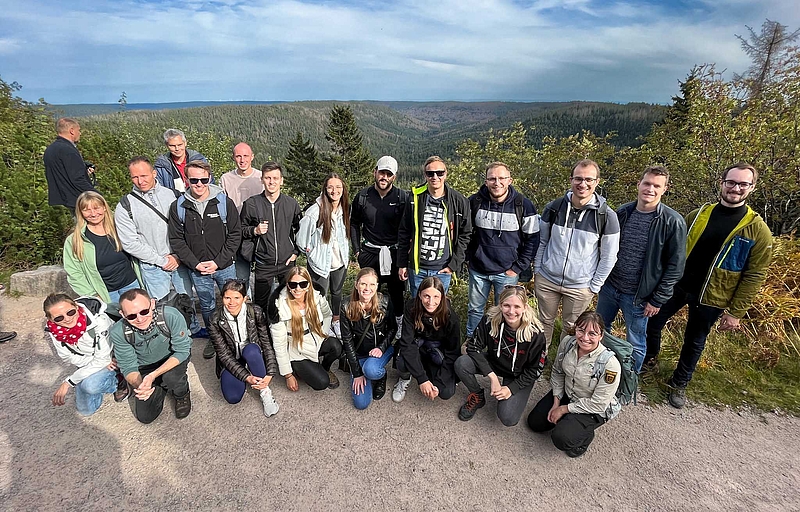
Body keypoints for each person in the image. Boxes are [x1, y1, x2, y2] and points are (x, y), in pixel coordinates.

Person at [644, 163, 773, 408]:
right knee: (653, 322)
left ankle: (679, 383)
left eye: (743, 184)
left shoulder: (757, 230)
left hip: (714, 294)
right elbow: (672, 249)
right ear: (722, 183)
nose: (736, 188)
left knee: (694, 339)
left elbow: (755, 275)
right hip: (678, 285)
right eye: (731, 182)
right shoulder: (699, 214)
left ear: (752, 188)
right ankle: (649, 360)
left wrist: (735, 312)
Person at [596, 165, 686, 372]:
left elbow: (676, 265)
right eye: (647, 183)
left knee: (635, 341)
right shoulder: (623, 213)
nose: (650, 189)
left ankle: (629, 379)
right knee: (601, 330)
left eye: (657, 185)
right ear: (639, 184)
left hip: (640, 295)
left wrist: (657, 299)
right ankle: (599, 372)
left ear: (665, 189)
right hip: (610, 287)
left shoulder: (672, 222)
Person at [534, 159, 620, 348]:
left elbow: (609, 256)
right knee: (543, 322)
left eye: (589, 179)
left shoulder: (606, 216)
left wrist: (594, 286)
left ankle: (563, 361)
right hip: (547, 278)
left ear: (597, 182)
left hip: (581, 286)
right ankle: (539, 360)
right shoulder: (554, 207)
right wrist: (538, 270)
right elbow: (542, 241)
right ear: (571, 180)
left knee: (572, 327)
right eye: (578, 179)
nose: (583, 184)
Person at [115, 156, 200, 335]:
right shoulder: (125, 206)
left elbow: (186, 227)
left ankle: (192, 329)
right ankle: (171, 337)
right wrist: (161, 260)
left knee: (186, 298)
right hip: (153, 266)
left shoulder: (172, 195)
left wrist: (177, 255)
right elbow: (130, 242)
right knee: (162, 305)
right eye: (135, 177)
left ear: (154, 173)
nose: (141, 181)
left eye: (145, 175)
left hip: (179, 260)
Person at [168, 161, 241, 359]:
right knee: (207, 305)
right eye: (194, 180)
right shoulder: (179, 207)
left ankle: (235, 335)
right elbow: (177, 240)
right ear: (186, 180)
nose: (199, 184)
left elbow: (235, 234)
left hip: (224, 265)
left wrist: (218, 262)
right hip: (198, 268)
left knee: (232, 301)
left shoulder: (224, 202)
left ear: (210, 178)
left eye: (203, 179)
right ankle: (214, 337)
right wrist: (195, 263)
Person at [527, 311, 621, 458]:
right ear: (575, 329)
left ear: (601, 335)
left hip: (592, 408)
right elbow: (558, 372)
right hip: (568, 394)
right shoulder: (568, 343)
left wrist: (564, 409)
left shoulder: (610, 365)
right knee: (534, 423)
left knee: (562, 438)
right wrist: (556, 401)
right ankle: (569, 422)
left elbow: (598, 404)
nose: (585, 338)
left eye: (592, 333)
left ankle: (585, 437)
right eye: (581, 330)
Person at [465, 161, 539, 343]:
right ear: (486, 181)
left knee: (507, 312)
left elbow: (533, 239)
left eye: (501, 178)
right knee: (475, 309)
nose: (496, 182)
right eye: (492, 178)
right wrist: (468, 259)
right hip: (478, 269)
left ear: (510, 180)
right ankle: (472, 342)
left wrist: (518, 267)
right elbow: (464, 233)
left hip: (507, 271)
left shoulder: (523, 205)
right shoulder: (475, 202)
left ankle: (500, 345)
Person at [455, 286, 547, 426]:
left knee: (508, 418)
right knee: (462, 364)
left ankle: (510, 391)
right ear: (500, 305)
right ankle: (477, 395)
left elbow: (535, 370)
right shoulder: (491, 319)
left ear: (525, 307)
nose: (511, 311)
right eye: (506, 305)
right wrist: (492, 376)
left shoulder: (536, 333)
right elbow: (473, 346)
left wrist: (511, 388)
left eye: (517, 306)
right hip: (495, 363)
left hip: (518, 373)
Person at [110, 288, 192, 423]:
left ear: (152, 304)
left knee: (171, 377)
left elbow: (182, 350)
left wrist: (153, 375)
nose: (140, 319)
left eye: (144, 311)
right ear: (122, 314)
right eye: (131, 316)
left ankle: (181, 393)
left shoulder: (170, 316)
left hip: (172, 357)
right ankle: (158, 386)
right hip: (145, 365)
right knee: (146, 416)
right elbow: (128, 366)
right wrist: (141, 385)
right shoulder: (118, 332)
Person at [350, 155, 408, 339]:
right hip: (369, 252)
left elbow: (407, 229)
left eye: (388, 174)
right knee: (368, 292)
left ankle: (397, 326)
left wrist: (403, 258)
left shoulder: (402, 197)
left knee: (396, 292)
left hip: (393, 253)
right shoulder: (363, 197)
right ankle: (366, 327)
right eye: (381, 172)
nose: (384, 177)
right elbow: (354, 224)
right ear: (375, 172)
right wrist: (357, 251)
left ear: (394, 177)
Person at [398, 156, 472, 299]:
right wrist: (402, 263)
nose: (435, 177)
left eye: (440, 173)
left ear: (446, 173)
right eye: (430, 173)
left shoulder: (459, 201)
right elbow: (404, 231)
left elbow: (465, 234)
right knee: (417, 307)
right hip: (417, 268)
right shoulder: (414, 198)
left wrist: (454, 264)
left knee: (438, 309)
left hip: (442, 268)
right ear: (425, 175)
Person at [44, 294, 128, 416]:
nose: (67, 319)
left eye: (70, 312)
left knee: (90, 385)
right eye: (58, 318)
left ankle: (119, 380)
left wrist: (69, 382)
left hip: (113, 358)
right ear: (51, 320)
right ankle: (98, 378)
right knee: (86, 411)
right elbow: (66, 356)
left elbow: (104, 358)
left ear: (76, 306)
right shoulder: (53, 330)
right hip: (93, 360)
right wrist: (93, 363)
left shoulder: (99, 320)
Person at [208, 280, 279, 417]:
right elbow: (223, 355)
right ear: (222, 298)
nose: (231, 302)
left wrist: (270, 372)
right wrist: (246, 377)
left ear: (245, 298)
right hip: (232, 358)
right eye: (227, 298)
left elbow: (266, 342)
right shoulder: (215, 319)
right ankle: (249, 375)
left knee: (251, 350)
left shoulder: (255, 311)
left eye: (237, 298)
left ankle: (265, 392)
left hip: (253, 354)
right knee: (233, 398)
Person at [268, 266, 343, 391]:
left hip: (315, 342)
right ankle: (298, 369)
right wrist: (288, 375)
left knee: (336, 346)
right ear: (287, 285)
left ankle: (324, 367)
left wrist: (322, 332)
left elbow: (327, 314)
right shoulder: (280, 306)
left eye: (302, 284)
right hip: (297, 352)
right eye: (293, 284)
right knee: (321, 383)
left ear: (308, 284)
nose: (298, 288)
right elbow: (279, 344)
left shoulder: (317, 296)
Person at [240, 162, 301, 313]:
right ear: (262, 179)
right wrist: (255, 230)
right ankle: (262, 334)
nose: (271, 182)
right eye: (268, 178)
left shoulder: (291, 203)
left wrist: (296, 252)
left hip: (287, 262)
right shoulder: (252, 204)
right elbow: (240, 229)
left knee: (290, 300)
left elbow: (301, 230)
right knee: (260, 304)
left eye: (275, 178)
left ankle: (288, 332)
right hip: (263, 262)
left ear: (281, 180)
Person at [297, 173, 350, 337]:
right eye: (331, 187)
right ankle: (321, 324)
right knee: (319, 296)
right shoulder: (315, 212)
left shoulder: (344, 209)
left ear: (343, 189)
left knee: (337, 292)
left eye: (338, 187)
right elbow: (301, 239)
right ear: (325, 189)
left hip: (339, 261)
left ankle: (335, 321)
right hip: (320, 264)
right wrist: (311, 254)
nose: (335, 191)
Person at [63, 191, 141, 303]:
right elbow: (74, 272)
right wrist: (92, 295)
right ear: (80, 212)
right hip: (106, 294)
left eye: (96, 208)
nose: (93, 214)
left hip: (132, 285)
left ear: (104, 207)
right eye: (86, 210)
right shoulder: (75, 239)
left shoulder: (119, 227)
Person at [392, 276, 460, 403]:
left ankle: (430, 374)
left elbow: (453, 352)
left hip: (436, 350)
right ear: (419, 295)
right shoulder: (411, 307)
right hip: (417, 345)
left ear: (442, 297)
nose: (430, 302)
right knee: (401, 360)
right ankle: (405, 378)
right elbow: (407, 343)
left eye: (436, 297)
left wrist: (442, 378)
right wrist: (421, 379)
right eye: (426, 296)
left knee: (446, 392)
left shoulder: (451, 317)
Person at [340, 268, 398, 410]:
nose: (367, 288)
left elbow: (393, 328)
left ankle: (380, 376)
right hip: (359, 354)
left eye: (372, 285)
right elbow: (347, 341)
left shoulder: (384, 301)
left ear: (377, 286)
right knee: (361, 403)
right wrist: (357, 373)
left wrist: (381, 348)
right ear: (356, 285)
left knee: (371, 370)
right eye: (363, 284)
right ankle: (365, 371)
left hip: (380, 350)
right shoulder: (345, 305)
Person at [220, 143, 264, 290]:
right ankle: (246, 309)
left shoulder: (261, 178)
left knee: (264, 277)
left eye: (245, 156)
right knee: (241, 278)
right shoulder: (226, 179)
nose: (242, 160)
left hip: (259, 232)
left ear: (252, 157)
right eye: (238, 156)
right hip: (237, 233)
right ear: (233, 158)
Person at [43, 117, 96, 213]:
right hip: (77, 200)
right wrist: (96, 196)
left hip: (61, 200)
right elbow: (77, 179)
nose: (80, 133)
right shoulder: (68, 150)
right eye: (78, 130)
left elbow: (63, 174)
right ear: (72, 131)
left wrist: (84, 171)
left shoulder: (50, 149)